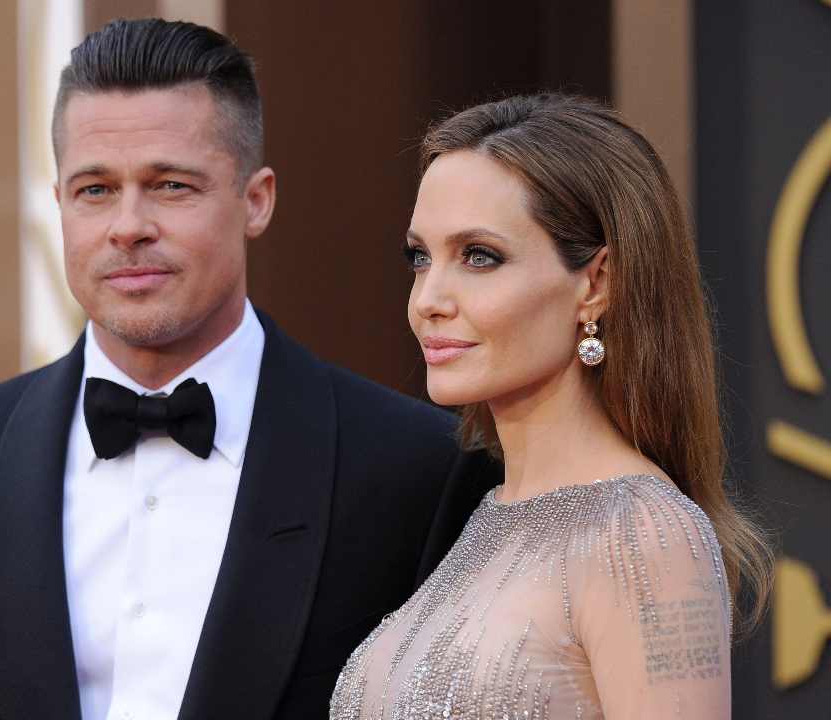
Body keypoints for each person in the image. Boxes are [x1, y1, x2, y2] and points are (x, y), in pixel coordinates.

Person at [0, 18, 498, 720]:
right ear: (59, 203)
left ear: (256, 201)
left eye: (169, 185)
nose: (128, 225)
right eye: (95, 190)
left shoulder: (415, 468)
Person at [329, 94, 773, 719]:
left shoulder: (645, 534)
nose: (428, 299)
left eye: (479, 257)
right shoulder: (487, 517)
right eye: (420, 257)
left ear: (596, 283)